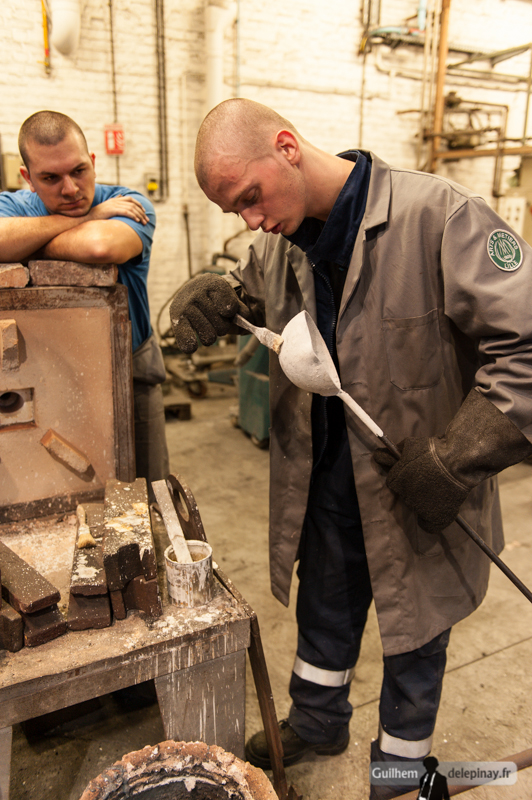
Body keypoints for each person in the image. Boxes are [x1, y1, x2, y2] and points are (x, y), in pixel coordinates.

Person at [169, 98, 532, 799]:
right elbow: (258, 301)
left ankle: (399, 770)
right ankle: (317, 720)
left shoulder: (442, 218)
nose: (250, 220)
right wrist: (223, 299)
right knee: (324, 609)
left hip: (420, 490)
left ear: (286, 147)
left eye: (250, 196)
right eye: (234, 210)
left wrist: (457, 457)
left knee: (415, 633)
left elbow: (526, 349)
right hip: (328, 487)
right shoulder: (279, 245)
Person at [0, 110, 169, 494]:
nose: (71, 189)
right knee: (67, 493)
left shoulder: (129, 202)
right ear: (28, 179)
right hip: (50, 379)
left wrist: (28, 247)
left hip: (133, 377)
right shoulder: (16, 206)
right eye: (51, 178)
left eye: (79, 171)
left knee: (147, 496)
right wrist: (88, 217)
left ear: (92, 161)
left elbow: (100, 246)